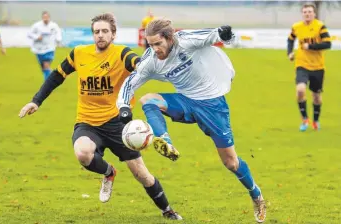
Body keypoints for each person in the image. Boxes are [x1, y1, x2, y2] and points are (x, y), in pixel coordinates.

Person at [19, 13, 182, 220]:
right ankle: (109, 173)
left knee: (142, 174)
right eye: (96, 32)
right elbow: (57, 76)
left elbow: (137, 63)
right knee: (82, 153)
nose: (100, 35)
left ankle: (167, 210)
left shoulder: (121, 53)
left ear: (113, 34)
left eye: (105, 31)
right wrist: (36, 101)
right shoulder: (79, 53)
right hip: (87, 122)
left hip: (118, 124)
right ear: (92, 34)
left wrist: (145, 64)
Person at [117, 19, 266, 223]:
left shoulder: (185, 40)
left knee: (231, 162)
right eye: (150, 44)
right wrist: (123, 107)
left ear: (170, 38)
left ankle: (256, 195)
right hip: (186, 101)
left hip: (213, 106)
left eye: (157, 44)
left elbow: (214, 35)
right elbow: (129, 83)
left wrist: (225, 34)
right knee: (148, 100)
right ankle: (165, 141)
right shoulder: (151, 59)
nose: (154, 49)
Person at [287, 2, 331, 131]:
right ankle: (305, 119)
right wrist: (290, 52)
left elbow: (328, 44)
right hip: (302, 64)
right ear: (302, 14)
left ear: (314, 14)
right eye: (305, 12)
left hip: (318, 66)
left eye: (310, 12)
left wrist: (310, 46)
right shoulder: (297, 27)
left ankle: (316, 120)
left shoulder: (320, 26)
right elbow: (290, 39)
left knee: (316, 96)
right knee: (300, 90)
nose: (307, 14)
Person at [28, 11, 62, 80]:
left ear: (49, 18)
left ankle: (46, 85)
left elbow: (58, 33)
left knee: (46, 65)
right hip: (39, 49)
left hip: (49, 49)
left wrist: (58, 40)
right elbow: (29, 34)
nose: (45, 19)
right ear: (42, 18)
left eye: (47, 17)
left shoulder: (54, 26)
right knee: (44, 68)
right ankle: (54, 76)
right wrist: (37, 37)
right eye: (44, 17)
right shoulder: (36, 26)